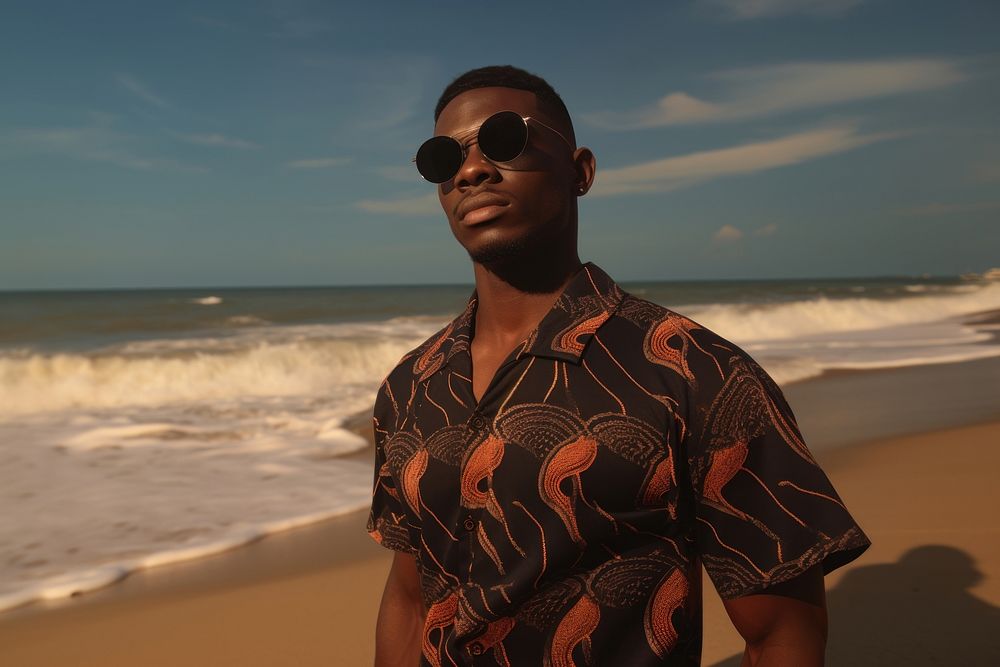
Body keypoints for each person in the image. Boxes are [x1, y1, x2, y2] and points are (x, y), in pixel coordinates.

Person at [366, 65, 871, 666]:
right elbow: (409, 596)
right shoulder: (411, 386)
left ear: (580, 172)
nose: (471, 171)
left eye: (506, 140)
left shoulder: (695, 373)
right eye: (443, 159)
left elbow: (781, 634)